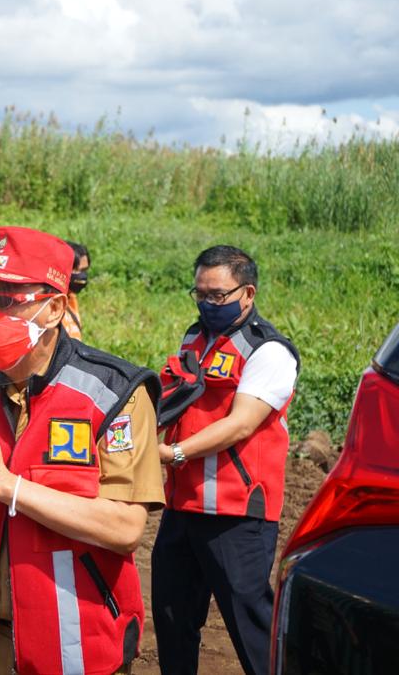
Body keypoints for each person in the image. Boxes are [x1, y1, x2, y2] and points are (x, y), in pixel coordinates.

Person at [0, 226, 165, 675]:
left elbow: (125, 526)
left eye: (2, 301)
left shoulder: (114, 392)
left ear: (54, 307)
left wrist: (8, 487)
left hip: (79, 643)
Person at [151, 245, 299, 675]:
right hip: (183, 506)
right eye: (199, 294)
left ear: (247, 293)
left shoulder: (269, 352)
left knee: (250, 624)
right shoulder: (195, 338)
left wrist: (173, 453)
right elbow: (172, 399)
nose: (207, 304)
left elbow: (240, 425)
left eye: (217, 295)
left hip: (236, 514)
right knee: (173, 617)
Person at [63, 241, 90, 340]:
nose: (81, 275)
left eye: (84, 270)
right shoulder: (49, 304)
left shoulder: (71, 299)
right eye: (75, 270)